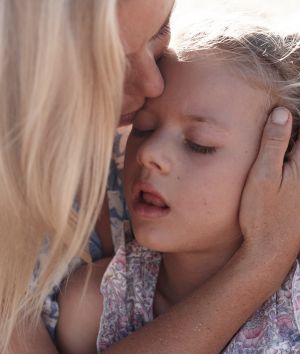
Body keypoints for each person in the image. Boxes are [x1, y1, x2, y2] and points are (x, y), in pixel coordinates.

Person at [2, 0, 300, 353]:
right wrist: (264, 259)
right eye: (143, 128)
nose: (148, 153)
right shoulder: (93, 304)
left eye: (199, 145)